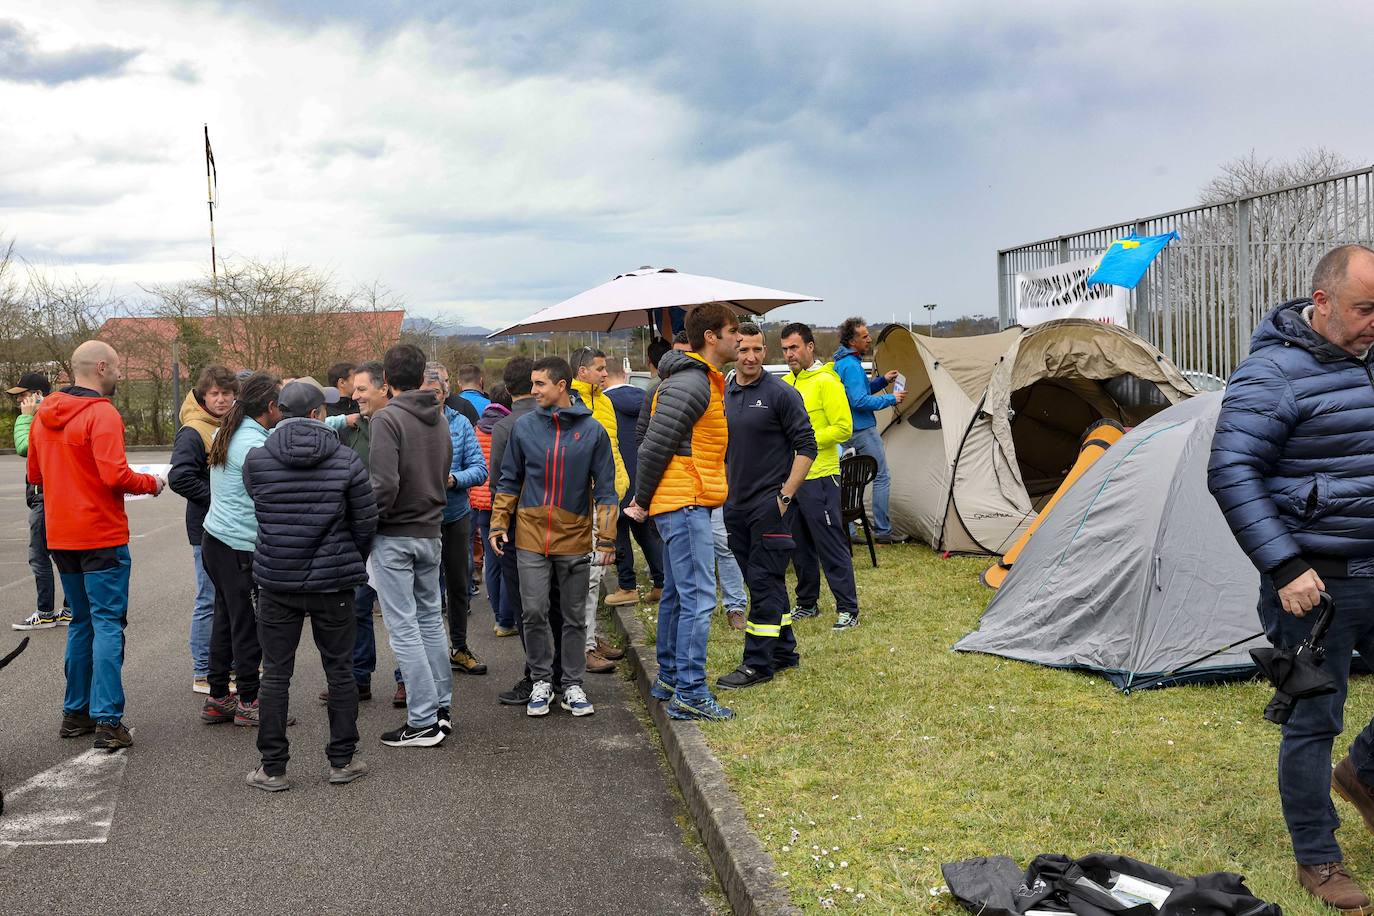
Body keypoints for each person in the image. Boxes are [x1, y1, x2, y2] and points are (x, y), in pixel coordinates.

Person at [1209, 244, 1374, 913]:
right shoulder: (1271, 373)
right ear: (1323, 301)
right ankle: (1319, 858)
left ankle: (1362, 775)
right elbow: (1231, 470)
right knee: (1313, 720)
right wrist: (1284, 564)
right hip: (1315, 587)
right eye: (1365, 308)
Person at [241, 379, 377, 791]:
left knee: (276, 673)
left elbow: (260, 508)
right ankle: (342, 760)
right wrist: (348, 555)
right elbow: (365, 521)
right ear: (319, 413)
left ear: (279, 411)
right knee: (339, 669)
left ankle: (273, 767)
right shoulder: (346, 460)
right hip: (333, 582)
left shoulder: (257, 460)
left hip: (276, 578)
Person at [27, 341, 164, 750]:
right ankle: (108, 719)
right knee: (107, 623)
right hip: (100, 533)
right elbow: (116, 475)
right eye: (118, 368)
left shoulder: (41, 416)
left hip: (61, 534)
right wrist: (152, 483)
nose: (120, 374)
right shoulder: (102, 413)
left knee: (82, 622)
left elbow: (36, 472)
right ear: (101, 367)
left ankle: (75, 712)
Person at [626, 303, 739, 722]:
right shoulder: (692, 384)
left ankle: (671, 676)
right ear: (711, 336)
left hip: (683, 499)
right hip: (685, 500)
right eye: (733, 331)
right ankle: (691, 691)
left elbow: (643, 434)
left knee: (677, 591)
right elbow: (653, 444)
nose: (739, 338)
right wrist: (641, 498)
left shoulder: (683, 381)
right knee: (697, 599)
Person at [489, 356, 617, 718]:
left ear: (562, 386)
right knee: (532, 611)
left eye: (540, 384)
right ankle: (542, 680)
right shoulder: (524, 427)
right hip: (530, 535)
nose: (532, 391)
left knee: (574, 614)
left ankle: (573, 684)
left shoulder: (593, 432)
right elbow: (509, 479)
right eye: (532, 383)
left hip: (574, 535)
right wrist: (499, 524)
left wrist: (606, 539)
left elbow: (606, 489)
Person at [718, 323, 816, 688]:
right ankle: (784, 649)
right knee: (765, 579)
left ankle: (757, 663)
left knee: (761, 582)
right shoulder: (725, 391)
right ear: (734, 349)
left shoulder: (780, 394)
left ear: (765, 351)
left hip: (770, 506)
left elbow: (807, 447)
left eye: (758, 350)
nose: (751, 357)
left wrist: (784, 497)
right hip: (735, 504)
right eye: (743, 349)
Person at [371, 344, 453, 747]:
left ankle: (421, 721)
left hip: (395, 534)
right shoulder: (439, 419)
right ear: (422, 375)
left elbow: (383, 485)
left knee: (403, 627)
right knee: (430, 621)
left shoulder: (386, 419)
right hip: (430, 531)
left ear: (386, 381)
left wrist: (367, 520)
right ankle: (440, 708)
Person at [201, 373, 293, 727]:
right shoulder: (255, 447)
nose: (283, 414)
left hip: (217, 541)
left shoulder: (232, 433)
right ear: (270, 408)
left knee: (225, 619)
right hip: (239, 547)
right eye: (280, 407)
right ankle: (250, 701)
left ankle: (219, 696)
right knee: (245, 626)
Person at [489, 357, 565, 706]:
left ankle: (537, 676)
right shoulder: (563, 420)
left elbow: (502, 486)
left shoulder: (507, 428)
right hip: (563, 525)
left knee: (527, 608)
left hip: (522, 529)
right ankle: (562, 674)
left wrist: (499, 526)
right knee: (558, 604)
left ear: (507, 389)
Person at [781, 322, 862, 630]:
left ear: (810, 347)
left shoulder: (828, 381)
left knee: (830, 545)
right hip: (793, 480)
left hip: (822, 476)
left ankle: (848, 608)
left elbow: (844, 428)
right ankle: (807, 603)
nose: (790, 354)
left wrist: (806, 437)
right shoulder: (787, 383)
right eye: (785, 349)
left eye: (795, 347)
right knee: (798, 546)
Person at [318, 360, 387, 705]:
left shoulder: (394, 426)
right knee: (357, 607)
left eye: (361, 390)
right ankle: (360, 678)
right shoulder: (347, 429)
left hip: (393, 529)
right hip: (358, 531)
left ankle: (407, 680)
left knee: (397, 610)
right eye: (354, 389)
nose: (355, 396)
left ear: (383, 387)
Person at [168, 366, 239, 693]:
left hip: (233, 525)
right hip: (206, 527)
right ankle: (203, 671)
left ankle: (233, 667)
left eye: (227, 393)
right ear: (203, 396)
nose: (222, 400)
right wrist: (217, 498)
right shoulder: (194, 431)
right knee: (209, 599)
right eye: (215, 394)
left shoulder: (231, 426)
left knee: (233, 599)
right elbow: (179, 477)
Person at [423, 361, 488, 677]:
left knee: (458, 583)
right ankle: (430, 657)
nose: (431, 398)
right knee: (426, 589)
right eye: (425, 393)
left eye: (436, 392)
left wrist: (454, 479)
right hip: (421, 519)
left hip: (455, 515)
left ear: (446, 393)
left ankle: (459, 647)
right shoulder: (406, 423)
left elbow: (480, 468)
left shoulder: (460, 423)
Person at [569, 347, 630, 673]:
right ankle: (585, 647)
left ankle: (592, 637)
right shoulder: (573, 404)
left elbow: (614, 450)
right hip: (588, 504)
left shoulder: (604, 402)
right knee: (589, 579)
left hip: (610, 501)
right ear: (582, 372)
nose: (606, 374)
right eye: (600, 369)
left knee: (598, 574)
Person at [832, 316, 904, 543]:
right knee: (881, 476)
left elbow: (858, 390)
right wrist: (892, 398)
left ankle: (849, 531)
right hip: (862, 430)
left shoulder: (841, 363)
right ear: (852, 341)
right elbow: (859, 401)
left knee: (849, 479)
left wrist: (883, 381)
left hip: (846, 430)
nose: (869, 339)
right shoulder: (852, 366)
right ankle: (883, 532)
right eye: (864, 337)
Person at [10, 371, 70, 631]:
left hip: (44, 496)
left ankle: (45, 612)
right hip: (56, 495)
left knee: (39, 556)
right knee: (62, 554)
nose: (20, 402)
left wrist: (25, 418)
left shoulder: (40, 418)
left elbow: (25, 446)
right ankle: (71, 608)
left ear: (38, 395)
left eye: (23, 396)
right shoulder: (56, 413)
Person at [603, 357, 664, 607]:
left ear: (605, 376)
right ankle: (661, 582)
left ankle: (627, 586)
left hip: (617, 477)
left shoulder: (603, 405)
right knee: (645, 532)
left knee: (618, 533)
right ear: (624, 373)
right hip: (644, 477)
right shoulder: (645, 398)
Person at [470, 383, 517, 637]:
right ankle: (507, 619)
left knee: (492, 561)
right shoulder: (510, 428)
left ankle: (499, 617)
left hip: (480, 502)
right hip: (501, 502)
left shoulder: (478, 427)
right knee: (509, 560)